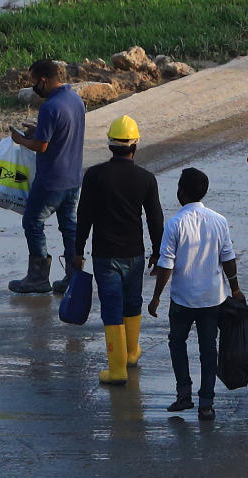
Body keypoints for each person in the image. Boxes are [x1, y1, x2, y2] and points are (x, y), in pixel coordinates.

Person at [71, 115, 163, 385]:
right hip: (134, 253)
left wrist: (78, 250)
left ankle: (117, 369)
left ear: (110, 144)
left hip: (104, 254)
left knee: (111, 307)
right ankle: (131, 354)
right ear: (135, 145)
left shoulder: (95, 175)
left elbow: (84, 214)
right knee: (132, 303)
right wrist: (158, 253)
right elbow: (155, 218)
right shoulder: (146, 178)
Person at [148, 168, 242, 421]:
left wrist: (156, 297)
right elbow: (228, 258)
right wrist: (235, 288)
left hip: (182, 299)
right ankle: (206, 404)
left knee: (177, 343)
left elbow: (166, 265)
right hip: (213, 298)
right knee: (208, 349)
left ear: (181, 192)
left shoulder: (175, 223)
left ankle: (183, 395)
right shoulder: (219, 220)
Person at [8, 59, 86, 294]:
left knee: (32, 221)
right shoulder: (75, 100)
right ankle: (73, 277)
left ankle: (38, 276)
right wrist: (38, 131)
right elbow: (61, 134)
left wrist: (21, 139)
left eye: (34, 82)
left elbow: (42, 146)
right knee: (69, 227)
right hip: (73, 179)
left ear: (43, 80)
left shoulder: (50, 107)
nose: (34, 87)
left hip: (51, 180)